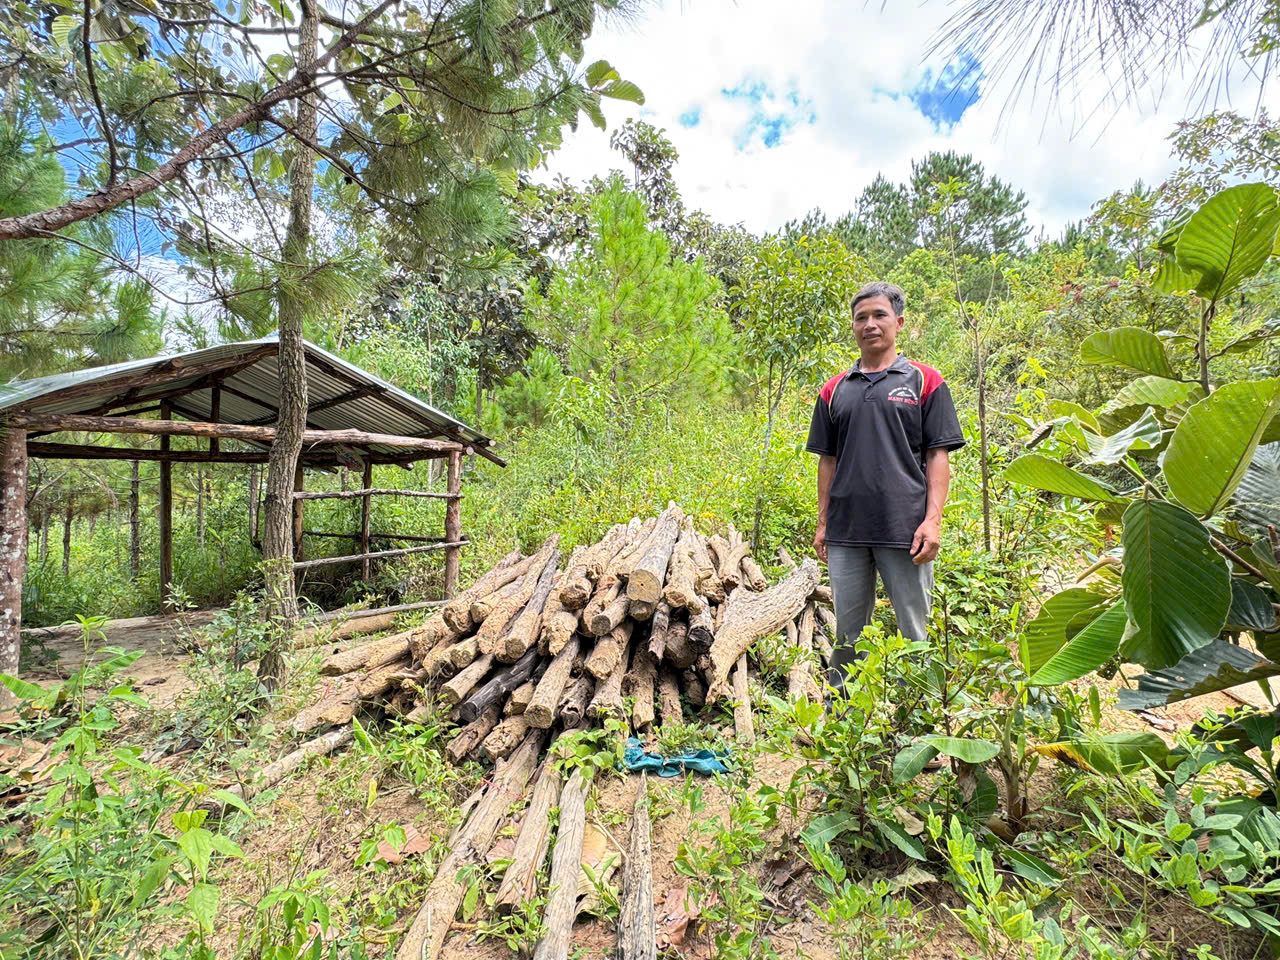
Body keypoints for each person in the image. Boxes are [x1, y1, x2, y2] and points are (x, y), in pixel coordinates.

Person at [806, 281, 965, 691]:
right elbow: (828, 460)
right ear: (853, 326)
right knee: (848, 632)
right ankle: (844, 721)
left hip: (906, 529)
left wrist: (933, 521)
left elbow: (938, 456)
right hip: (847, 532)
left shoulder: (926, 381)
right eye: (861, 317)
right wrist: (823, 523)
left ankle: (921, 724)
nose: (870, 324)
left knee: (913, 630)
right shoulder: (834, 389)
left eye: (879, 315)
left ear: (899, 322)